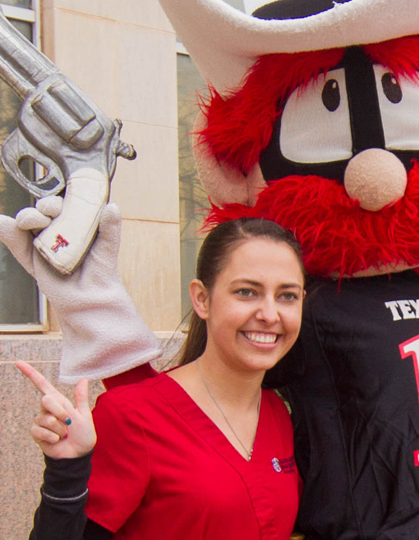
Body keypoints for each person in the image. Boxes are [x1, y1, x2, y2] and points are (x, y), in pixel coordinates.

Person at [16, 216, 306, 540]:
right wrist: (66, 472)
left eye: (287, 296)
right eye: (246, 292)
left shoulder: (279, 415)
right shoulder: (131, 415)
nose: (269, 314)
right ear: (202, 299)